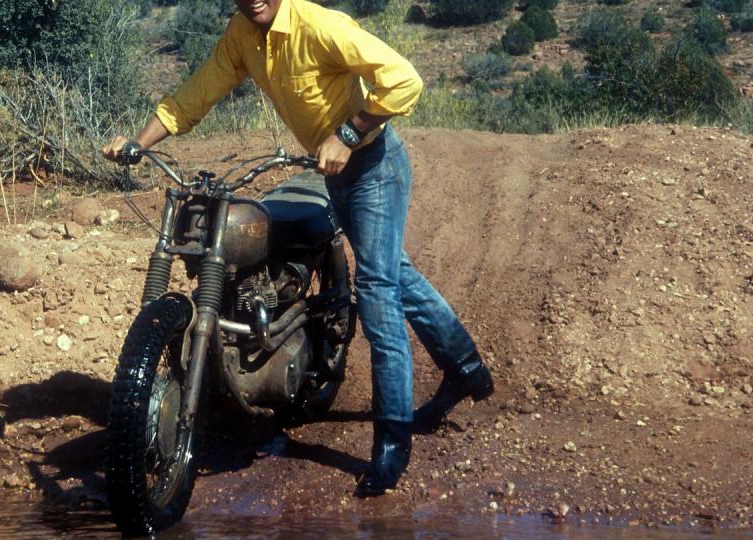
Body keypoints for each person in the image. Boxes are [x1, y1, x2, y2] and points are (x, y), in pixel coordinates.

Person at [102, 0, 494, 497]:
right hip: (335, 174)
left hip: (374, 166)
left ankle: (393, 445)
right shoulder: (242, 34)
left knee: (377, 293)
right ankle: (466, 372)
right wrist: (140, 141)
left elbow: (404, 78)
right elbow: (192, 98)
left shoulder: (319, 26)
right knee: (395, 273)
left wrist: (349, 132)